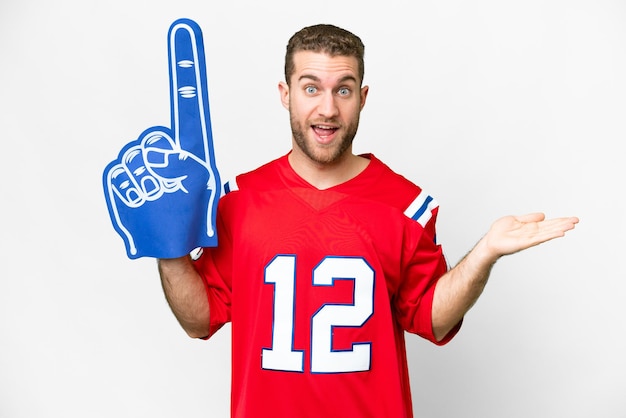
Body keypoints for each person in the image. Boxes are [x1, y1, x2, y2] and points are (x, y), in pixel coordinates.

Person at [157, 24, 578, 418]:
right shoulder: (237, 200)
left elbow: (432, 319)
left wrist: (484, 254)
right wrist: (166, 245)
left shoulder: (406, 205)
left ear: (363, 96)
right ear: (286, 94)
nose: (328, 108)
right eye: (311, 88)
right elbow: (199, 320)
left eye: (343, 89)